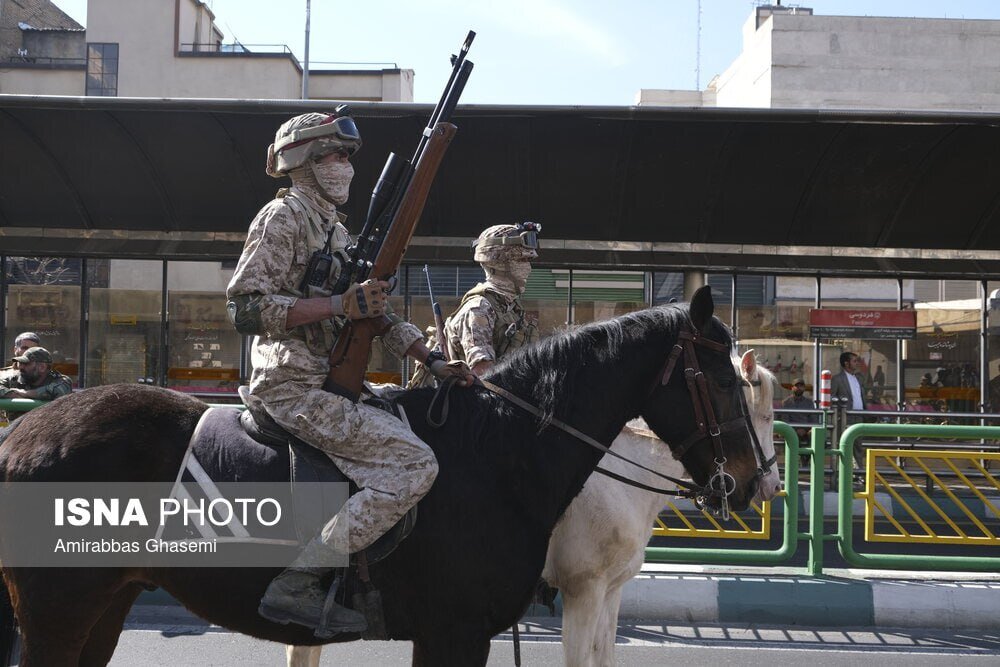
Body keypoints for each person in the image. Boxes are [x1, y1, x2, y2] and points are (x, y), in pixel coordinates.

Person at [225, 110, 475, 636]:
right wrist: (339, 303)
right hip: (291, 385)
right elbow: (245, 307)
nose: (345, 168)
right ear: (306, 161)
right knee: (413, 465)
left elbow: (372, 311)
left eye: (346, 158)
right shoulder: (284, 218)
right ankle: (300, 579)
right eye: (336, 156)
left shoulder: (334, 228)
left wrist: (430, 360)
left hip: (328, 381)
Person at [410, 223, 539, 384]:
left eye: (528, 260)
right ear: (498, 262)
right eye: (521, 260)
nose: (528, 267)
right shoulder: (479, 309)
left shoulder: (511, 308)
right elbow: (483, 375)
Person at [0, 347, 72, 401]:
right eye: (20, 363)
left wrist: (25, 394)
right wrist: (11, 394)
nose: (21, 367)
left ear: (42, 367)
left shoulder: (61, 381)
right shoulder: (15, 378)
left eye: (26, 364)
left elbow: (56, 390)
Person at [778, 378, 814, 464]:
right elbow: (785, 420)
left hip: (806, 431)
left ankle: (807, 458)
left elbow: (813, 419)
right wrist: (796, 430)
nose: (799, 388)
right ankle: (794, 461)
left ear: (804, 388)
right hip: (792, 430)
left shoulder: (809, 403)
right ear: (792, 388)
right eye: (796, 386)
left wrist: (805, 430)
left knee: (814, 433)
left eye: (801, 386)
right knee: (791, 434)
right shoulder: (786, 402)